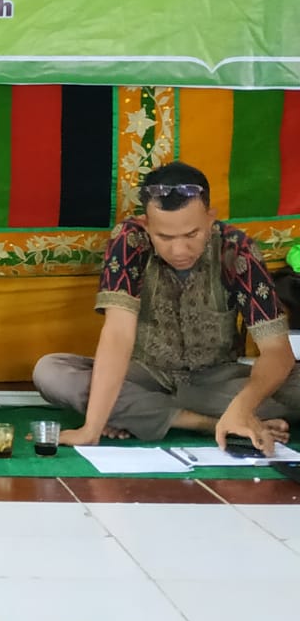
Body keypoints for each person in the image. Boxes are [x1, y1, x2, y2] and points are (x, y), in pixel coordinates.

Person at [34, 161, 300, 455]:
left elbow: (277, 350)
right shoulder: (130, 240)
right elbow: (118, 335)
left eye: (192, 235)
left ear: (210, 218)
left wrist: (243, 405)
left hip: (216, 383)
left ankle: (149, 415)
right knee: (51, 373)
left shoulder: (236, 248)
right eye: (165, 237)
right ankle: (209, 424)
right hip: (145, 376)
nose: (179, 250)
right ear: (147, 225)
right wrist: (92, 429)